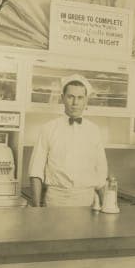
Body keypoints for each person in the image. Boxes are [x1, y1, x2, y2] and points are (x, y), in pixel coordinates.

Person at [27, 74, 109, 207]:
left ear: (86, 100)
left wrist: (107, 206)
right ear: (62, 98)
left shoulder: (94, 130)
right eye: (71, 97)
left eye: (80, 98)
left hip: (87, 200)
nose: (75, 103)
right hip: (56, 200)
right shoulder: (48, 128)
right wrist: (36, 208)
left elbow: (101, 174)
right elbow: (36, 171)